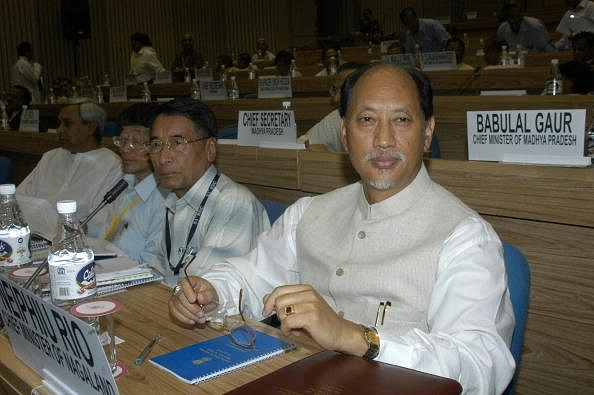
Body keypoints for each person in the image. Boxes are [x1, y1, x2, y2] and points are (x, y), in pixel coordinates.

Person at [170, 64, 515, 394]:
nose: (383, 139)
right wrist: (213, 291)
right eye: (366, 120)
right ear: (345, 134)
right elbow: (248, 275)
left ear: (427, 133)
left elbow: (481, 364)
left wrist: (357, 337)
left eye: (401, 120)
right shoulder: (308, 212)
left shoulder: (466, 236)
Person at [147, 98, 270, 286]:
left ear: (210, 149)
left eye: (178, 142)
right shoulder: (175, 199)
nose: (163, 158)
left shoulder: (232, 202)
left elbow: (205, 293)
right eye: (156, 145)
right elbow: (159, 272)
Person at [17, 98, 122, 232]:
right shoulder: (50, 157)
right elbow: (21, 198)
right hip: (33, 233)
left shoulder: (113, 165)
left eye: (67, 124)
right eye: (59, 123)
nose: (59, 130)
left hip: (76, 241)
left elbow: (100, 220)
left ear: (91, 127)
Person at [99, 103, 167, 264]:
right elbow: (108, 234)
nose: (124, 149)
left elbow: (153, 265)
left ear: (157, 145)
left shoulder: (165, 198)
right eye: (122, 140)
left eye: (136, 142)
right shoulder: (123, 185)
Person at [298, 63, 361, 151]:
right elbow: (303, 142)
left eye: (344, 90)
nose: (336, 99)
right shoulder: (339, 115)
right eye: (335, 90)